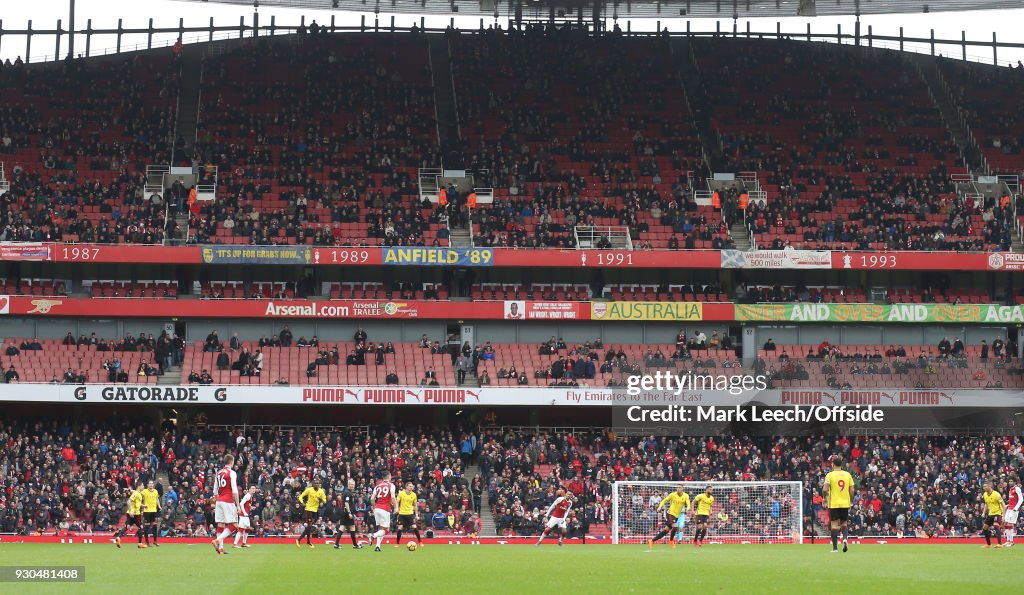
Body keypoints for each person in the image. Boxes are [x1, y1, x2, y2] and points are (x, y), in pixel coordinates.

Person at [823, 456, 854, 553]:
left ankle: (835, 548)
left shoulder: (830, 475)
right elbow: (852, 490)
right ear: (841, 464)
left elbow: (824, 489)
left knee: (834, 525)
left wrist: (824, 498)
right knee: (844, 523)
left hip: (834, 504)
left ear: (832, 464)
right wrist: (850, 500)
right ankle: (845, 539)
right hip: (845, 503)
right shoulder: (847, 475)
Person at [212, 453, 240, 555]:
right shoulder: (232, 473)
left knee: (221, 524)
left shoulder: (218, 473)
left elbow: (215, 490)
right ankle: (217, 540)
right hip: (228, 501)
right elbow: (235, 490)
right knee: (235, 524)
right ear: (232, 462)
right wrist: (237, 505)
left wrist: (216, 499)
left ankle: (221, 549)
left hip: (219, 500)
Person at [648, 485, 690, 549]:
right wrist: (659, 507)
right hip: (670, 513)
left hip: (676, 516)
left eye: (680, 488)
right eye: (677, 487)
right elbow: (664, 500)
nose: (678, 489)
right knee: (675, 527)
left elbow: (688, 503)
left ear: (682, 489)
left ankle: (652, 540)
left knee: (666, 530)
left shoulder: (686, 496)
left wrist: (688, 508)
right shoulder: (672, 495)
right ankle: (671, 541)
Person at [370, 472, 398, 552]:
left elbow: (372, 499)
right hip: (385, 509)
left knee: (381, 528)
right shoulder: (391, 485)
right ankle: (373, 535)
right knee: (386, 530)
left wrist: (374, 507)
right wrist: (396, 507)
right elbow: (392, 497)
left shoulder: (377, 486)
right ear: (389, 477)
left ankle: (377, 546)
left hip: (377, 508)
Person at [297, 478, 327, 549]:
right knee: (309, 525)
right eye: (315, 484)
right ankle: (300, 540)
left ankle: (306, 541)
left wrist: (321, 500)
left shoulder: (321, 491)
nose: (316, 485)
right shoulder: (309, 490)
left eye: (318, 484)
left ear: (319, 485)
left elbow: (325, 501)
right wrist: (302, 503)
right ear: (313, 484)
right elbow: (301, 496)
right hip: (308, 509)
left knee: (310, 526)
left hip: (315, 510)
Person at [333, 479, 362, 550]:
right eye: (351, 484)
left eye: (353, 485)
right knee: (352, 527)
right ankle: (355, 545)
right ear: (348, 484)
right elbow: (346, 503)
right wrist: (349, 513)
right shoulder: (348, 493)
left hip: (343, 512)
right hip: (346, 513)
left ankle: (336, 544)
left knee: (342, 527)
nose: (352, 486)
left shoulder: (345, 492)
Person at [114, 483, 144, 548]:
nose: (143, 486)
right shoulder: (136, 494)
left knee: (127, 527)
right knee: (141, 527)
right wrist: (131, 511)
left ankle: (118, 537)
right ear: (139, 486)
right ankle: (140, 543)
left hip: (131, 513)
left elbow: (137, 503)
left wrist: (144, 506)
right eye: (142, 485)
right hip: (135, 513)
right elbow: (129, 501)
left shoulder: (136, 492)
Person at [395, 482, 423, 548]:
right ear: (406, 487)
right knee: (400, 528)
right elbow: (397, 501)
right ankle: (397, 543)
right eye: (410, 486)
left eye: (412, 486)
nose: (411, 487)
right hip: (402, 513)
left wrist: (416, 514)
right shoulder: (401, 493)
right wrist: (396, 508)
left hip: (410, 513)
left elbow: (415, 505)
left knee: (414, 527)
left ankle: (420, 542)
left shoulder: (414, 495)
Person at [981, 481, 1005, 548]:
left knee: (996, 525)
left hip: (998, 513)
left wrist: (1003, 515)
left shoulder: (996, 494)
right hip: (991, 513)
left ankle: (1000, 544)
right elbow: (986, 504)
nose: (984, 488)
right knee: (984, 528)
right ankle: (989, 544)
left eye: (986, 486)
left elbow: (1003, 505)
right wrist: (983, 512)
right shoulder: (985, 494)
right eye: (983, 486)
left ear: (990, 486)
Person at [141, 480, 161, 548]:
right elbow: (139, 496)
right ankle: (147, 542)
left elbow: (157, 499)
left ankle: (155, 541)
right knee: (147, 526)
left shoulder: (155, 491)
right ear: (147, 485)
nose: (151, 485)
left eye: (152, 483)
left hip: (154, 511)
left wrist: (159, 506)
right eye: (150, 483)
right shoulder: (144, 491)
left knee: (155, 525)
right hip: (147, 511)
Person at [1003, 481, 1022, 547]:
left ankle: (1012, 541)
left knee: (1010, 523)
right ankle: (1008, 541)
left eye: (1011, 481)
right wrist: (1007, 505)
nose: (1010, 482)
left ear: (1014, 481)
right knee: (1005, 523)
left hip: (1014, 509)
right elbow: (1012, 500)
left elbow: (1021, 499)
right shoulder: (1010, 489)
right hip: (1009, 508)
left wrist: (1016, 508)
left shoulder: (1017, 489)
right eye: (1009, 481)